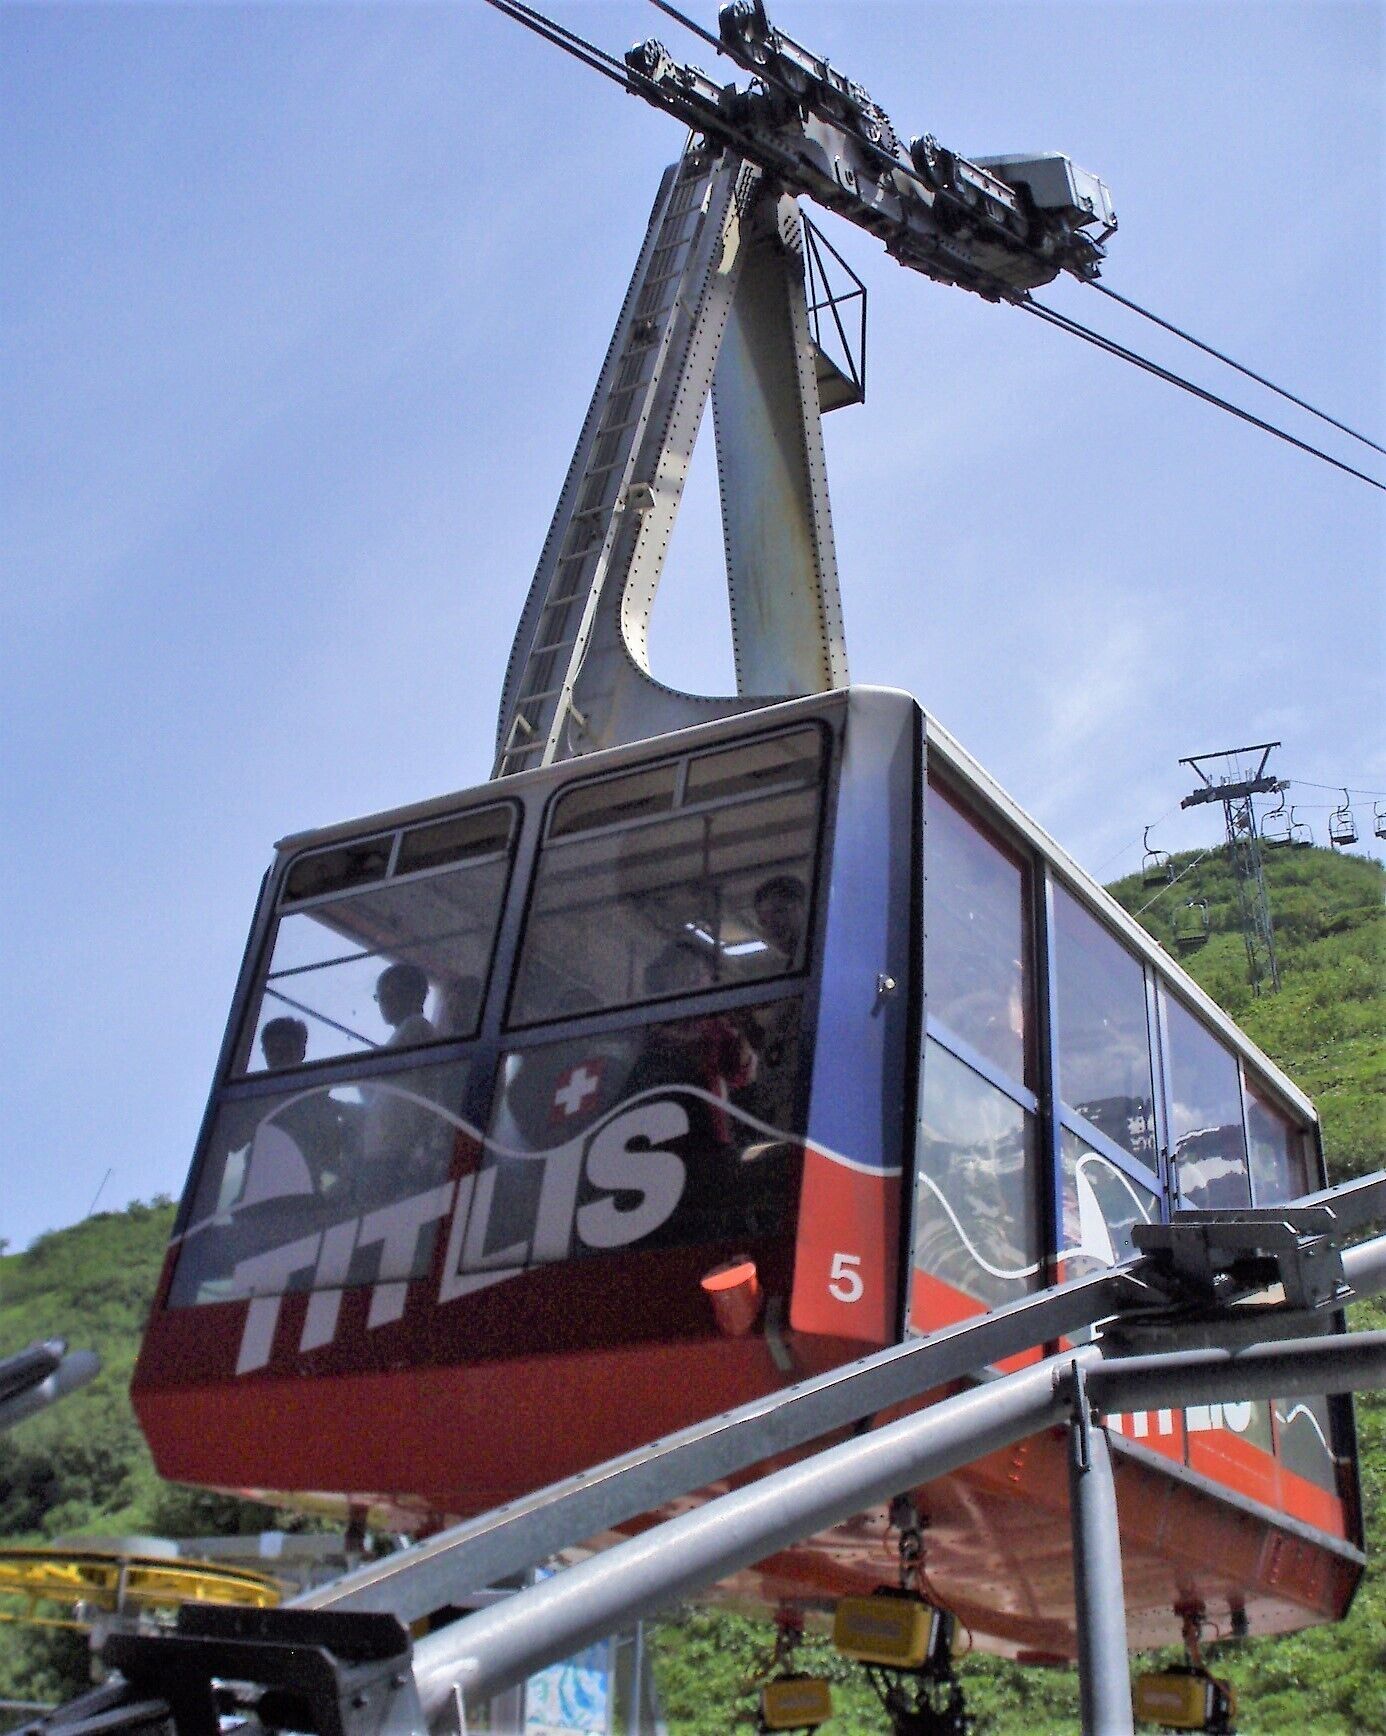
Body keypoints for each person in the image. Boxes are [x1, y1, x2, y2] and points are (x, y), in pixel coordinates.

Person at [374, 960, 436, 1048]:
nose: (382, 1001)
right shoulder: (414, 1028)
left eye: (389, 994)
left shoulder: (415, 1027)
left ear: (413, 995)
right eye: (380, 996)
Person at [752, 872, 807, 968]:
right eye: (763, 921)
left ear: (804, 907)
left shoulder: (831, 952)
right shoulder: (794, 969)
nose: (772, 926)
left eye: (778, 912)